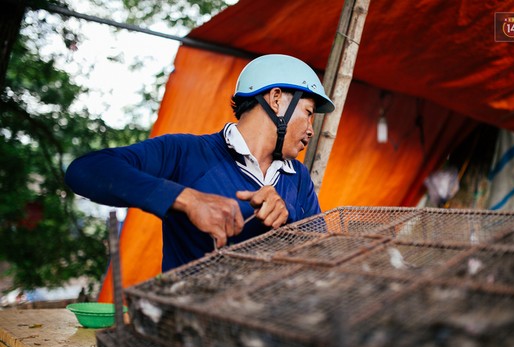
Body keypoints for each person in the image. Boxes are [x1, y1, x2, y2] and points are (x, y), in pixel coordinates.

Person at [65, 54, 335, 272]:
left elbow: (321, 260)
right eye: (308, 113)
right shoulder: (187, 152)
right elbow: (85, 170)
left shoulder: (298, 176)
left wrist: (286, 220)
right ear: (276, 100)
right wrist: (187, 199)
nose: (311, 130)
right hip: (187, 331)